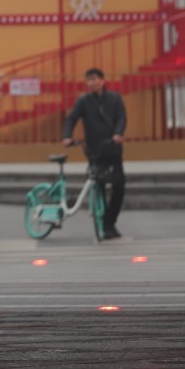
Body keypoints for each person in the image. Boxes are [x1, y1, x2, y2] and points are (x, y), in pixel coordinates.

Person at [61, 68, 128, 240]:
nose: (91, 83)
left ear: (102, 81)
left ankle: (110, 221)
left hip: (112, 149)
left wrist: (118, 133)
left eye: (94, 79)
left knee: (119, 186)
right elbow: (71, 118)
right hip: (94, 151)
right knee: (99, 185)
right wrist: (67, 136)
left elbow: (121, 117)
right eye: (88, 80)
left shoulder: (114, 98)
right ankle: (105, 224)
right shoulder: (84, 101)